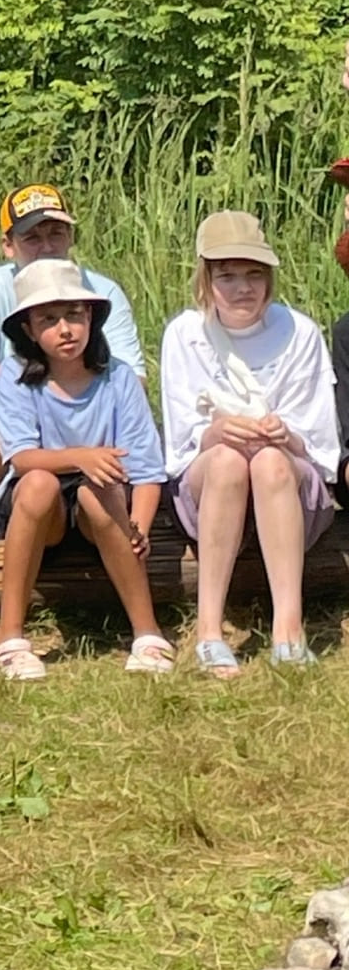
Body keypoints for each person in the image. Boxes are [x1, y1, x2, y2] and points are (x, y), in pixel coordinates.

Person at [159, 212, 341, 675]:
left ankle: (288, 631)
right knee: (224, 460)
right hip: (210, 487)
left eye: (254, 274)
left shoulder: (299, 332)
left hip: (291, 488)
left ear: (270, 277)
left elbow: (321, 447)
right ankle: (209, 632)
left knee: (270, 464)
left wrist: (285, 437)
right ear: (206, 279)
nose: (243, 288)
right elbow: (180, 447)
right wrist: (216, 431)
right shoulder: (184, 335)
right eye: (228, 276)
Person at [0, 260, 172, 681]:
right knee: (38, 484)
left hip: (102, 509)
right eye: (48, 320)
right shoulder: (15, 376)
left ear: (91, 317)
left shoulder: (118, 377)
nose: (65, 330)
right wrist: (83, 455)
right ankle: (10, 635)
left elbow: (145, 470)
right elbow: (21, 458)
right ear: (29, 331)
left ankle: (147, 633)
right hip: (38, 508)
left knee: (99, 488)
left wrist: (139, 525)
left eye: (74, 314)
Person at [0, 186, 144, 535]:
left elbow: (135, 376)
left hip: (85, 404)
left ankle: (110, 517)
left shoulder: (104, 290)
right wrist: (46, 385)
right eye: (32, 237)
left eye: (56, 233)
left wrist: (74, 386)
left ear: (71, 235)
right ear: (8, 245)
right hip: (17, 406)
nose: (46, 247)